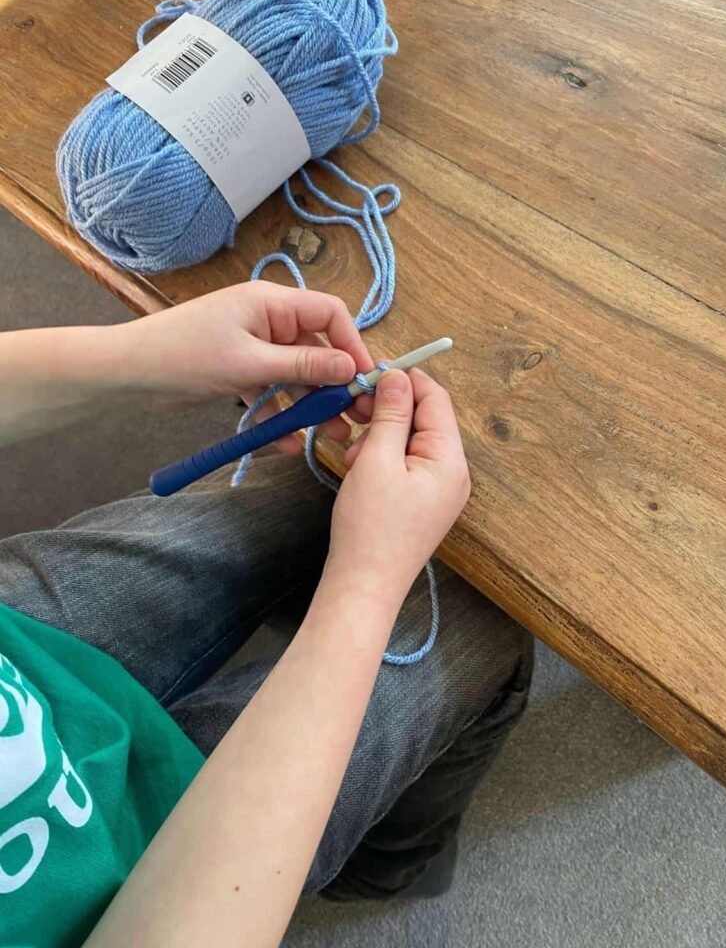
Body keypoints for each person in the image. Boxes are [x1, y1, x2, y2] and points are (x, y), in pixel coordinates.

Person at [0, 280, 533, 947]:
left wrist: (136, 357)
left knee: (317, 487)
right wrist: (365, 583)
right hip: (147, 890)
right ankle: (376, 866)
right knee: (483, 606)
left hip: (20, 651)